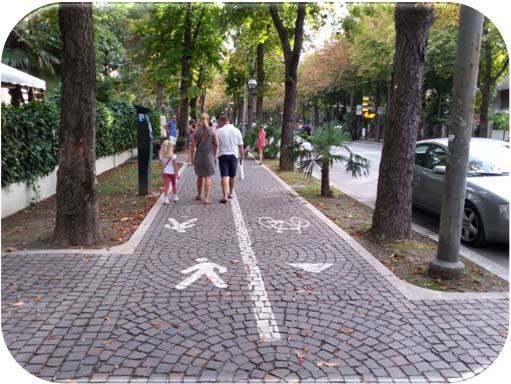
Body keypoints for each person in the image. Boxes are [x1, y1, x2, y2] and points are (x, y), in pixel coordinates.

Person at [189, 112, 218, 205]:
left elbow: (192, 146)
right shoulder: (212, 131)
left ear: (200, 120)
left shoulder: (196, 131)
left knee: (199, 176)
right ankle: (206, 198)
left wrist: (191, 159)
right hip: (208, 156)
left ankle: (198, 195)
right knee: (207, 177)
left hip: (198, 156)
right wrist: (214, 153)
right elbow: (217, 144)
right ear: (208, 120)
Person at [216, 115, 243, 203]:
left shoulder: (219, 131)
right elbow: (240, 146)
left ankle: (224, 196)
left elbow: (216, 144)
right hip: (233, 155)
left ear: (222, 121)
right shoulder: (237, 130)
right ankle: (231, 193)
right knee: (232, 176)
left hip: (222, 155)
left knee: (224, 176)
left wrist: (214, 156)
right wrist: (241, 157)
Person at [159, 140, 180, 204]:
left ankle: (165, 199)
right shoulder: (173, 156)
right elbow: (175, 166)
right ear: (171, 148)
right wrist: (177, 174)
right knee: (174, 184)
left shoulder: (162, 156)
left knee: (166, 186)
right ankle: (175, 197)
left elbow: (160, 164)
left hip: (165, 172)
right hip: (172, 173)